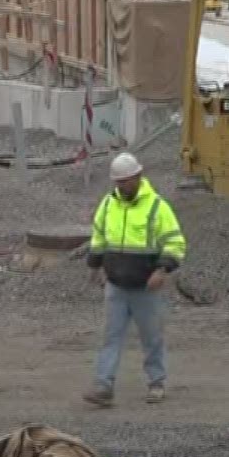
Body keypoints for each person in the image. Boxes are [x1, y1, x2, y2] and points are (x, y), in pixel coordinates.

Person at [85, 153, 187, 407]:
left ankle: (156, 382)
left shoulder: (157, 207)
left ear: (138, 177)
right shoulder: (108, 204)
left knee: (151, 337)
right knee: (111, 337)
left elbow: (175, 242)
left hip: (145, 287)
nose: (121, 186)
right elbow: (99, 237)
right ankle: (103, 386)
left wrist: (162, 270)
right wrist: (94, 266)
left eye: (125, 181)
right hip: (116, 284)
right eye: (117, 182)